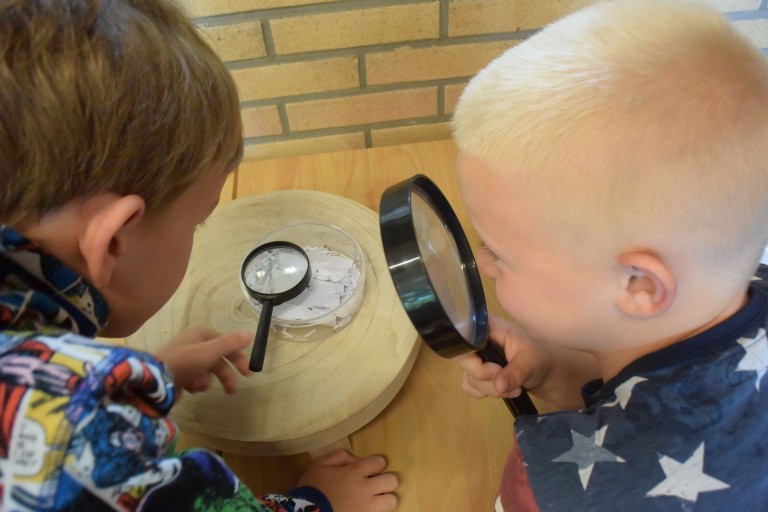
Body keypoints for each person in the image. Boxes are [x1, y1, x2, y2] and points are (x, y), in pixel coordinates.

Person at [0, 1, 398, 510]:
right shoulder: (81, 441)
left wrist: (143, 377)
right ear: (115, 240)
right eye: (199, 218)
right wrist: (318, 500)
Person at [451, 0, 768, 510]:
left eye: (501, 254)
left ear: (639, 286)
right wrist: (552, 370)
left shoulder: (553, 488)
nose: (484, 264)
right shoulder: (729, 272)